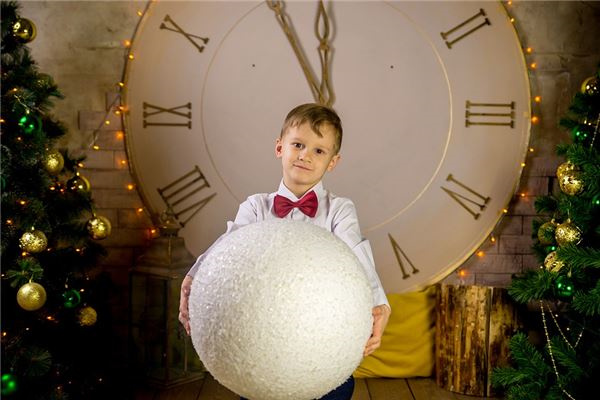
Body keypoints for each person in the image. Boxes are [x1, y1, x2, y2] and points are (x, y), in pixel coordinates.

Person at [179, 103, 391, 400]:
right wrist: (194, 278)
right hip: (262, 346)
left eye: (319, 150)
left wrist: (379, 304)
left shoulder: (339, 210)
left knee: (333, 391)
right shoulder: (256, 207)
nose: (305, 155)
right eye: (298, 145)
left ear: (332, 162)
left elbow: (358, 253)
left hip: (323, 339)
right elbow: (226, 247)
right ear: (280, 148)